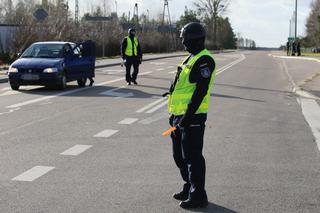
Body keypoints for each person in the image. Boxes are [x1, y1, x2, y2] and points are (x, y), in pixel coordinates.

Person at [165, 22, 216, 209]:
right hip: (178, 117)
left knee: (193, 157)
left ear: (194, 39)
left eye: (185, 38)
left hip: (192, 118)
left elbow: (201, 90)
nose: (183, 42)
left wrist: (188, 115)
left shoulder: (204, 60)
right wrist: (175, 115)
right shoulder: (190, 58)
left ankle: (198, 195)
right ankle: (188, 186)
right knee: (179, 156)